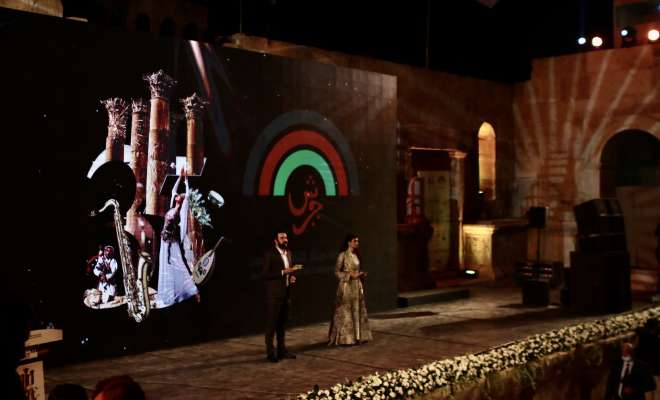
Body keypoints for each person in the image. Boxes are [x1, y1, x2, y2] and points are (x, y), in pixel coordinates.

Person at [155, 168, 200, 308]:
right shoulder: (171, 207)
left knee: (178, 264)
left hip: (171, 241)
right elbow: (173, 190)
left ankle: (192, 290)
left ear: (182, 199)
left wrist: (186, 181)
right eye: (176, 196)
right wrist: (179, 178)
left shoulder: (179, 211)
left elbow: (187, 194)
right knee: (166, 266)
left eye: (179, 196)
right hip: (164, 240)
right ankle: (168, 292)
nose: (177, 196)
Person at [328, 234, 372, 346]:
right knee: (346, 311)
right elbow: (337, 272)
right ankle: (346, 339)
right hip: (346, 287)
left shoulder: (356, 255)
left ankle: (357, 337)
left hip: (356, 286)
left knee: (357, 310)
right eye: (355, 241)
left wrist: (361, 274)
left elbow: (357, 270)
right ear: (349, 242)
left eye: (357, 241)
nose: (357, 243)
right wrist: (349, 275)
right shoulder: (343, 255)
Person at [262, 230, 298, 362]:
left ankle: (282, 351)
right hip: (274, 295)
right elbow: (265, 275)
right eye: (282, 238)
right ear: (276, 241)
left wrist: (292, 276)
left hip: (286, 294)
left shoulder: (289, 253)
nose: (285, 240)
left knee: (282, 325)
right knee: (271, 325)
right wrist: (283, 272)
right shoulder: (270, 254)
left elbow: (290, 271)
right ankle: (270, 353)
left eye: (286, 237)